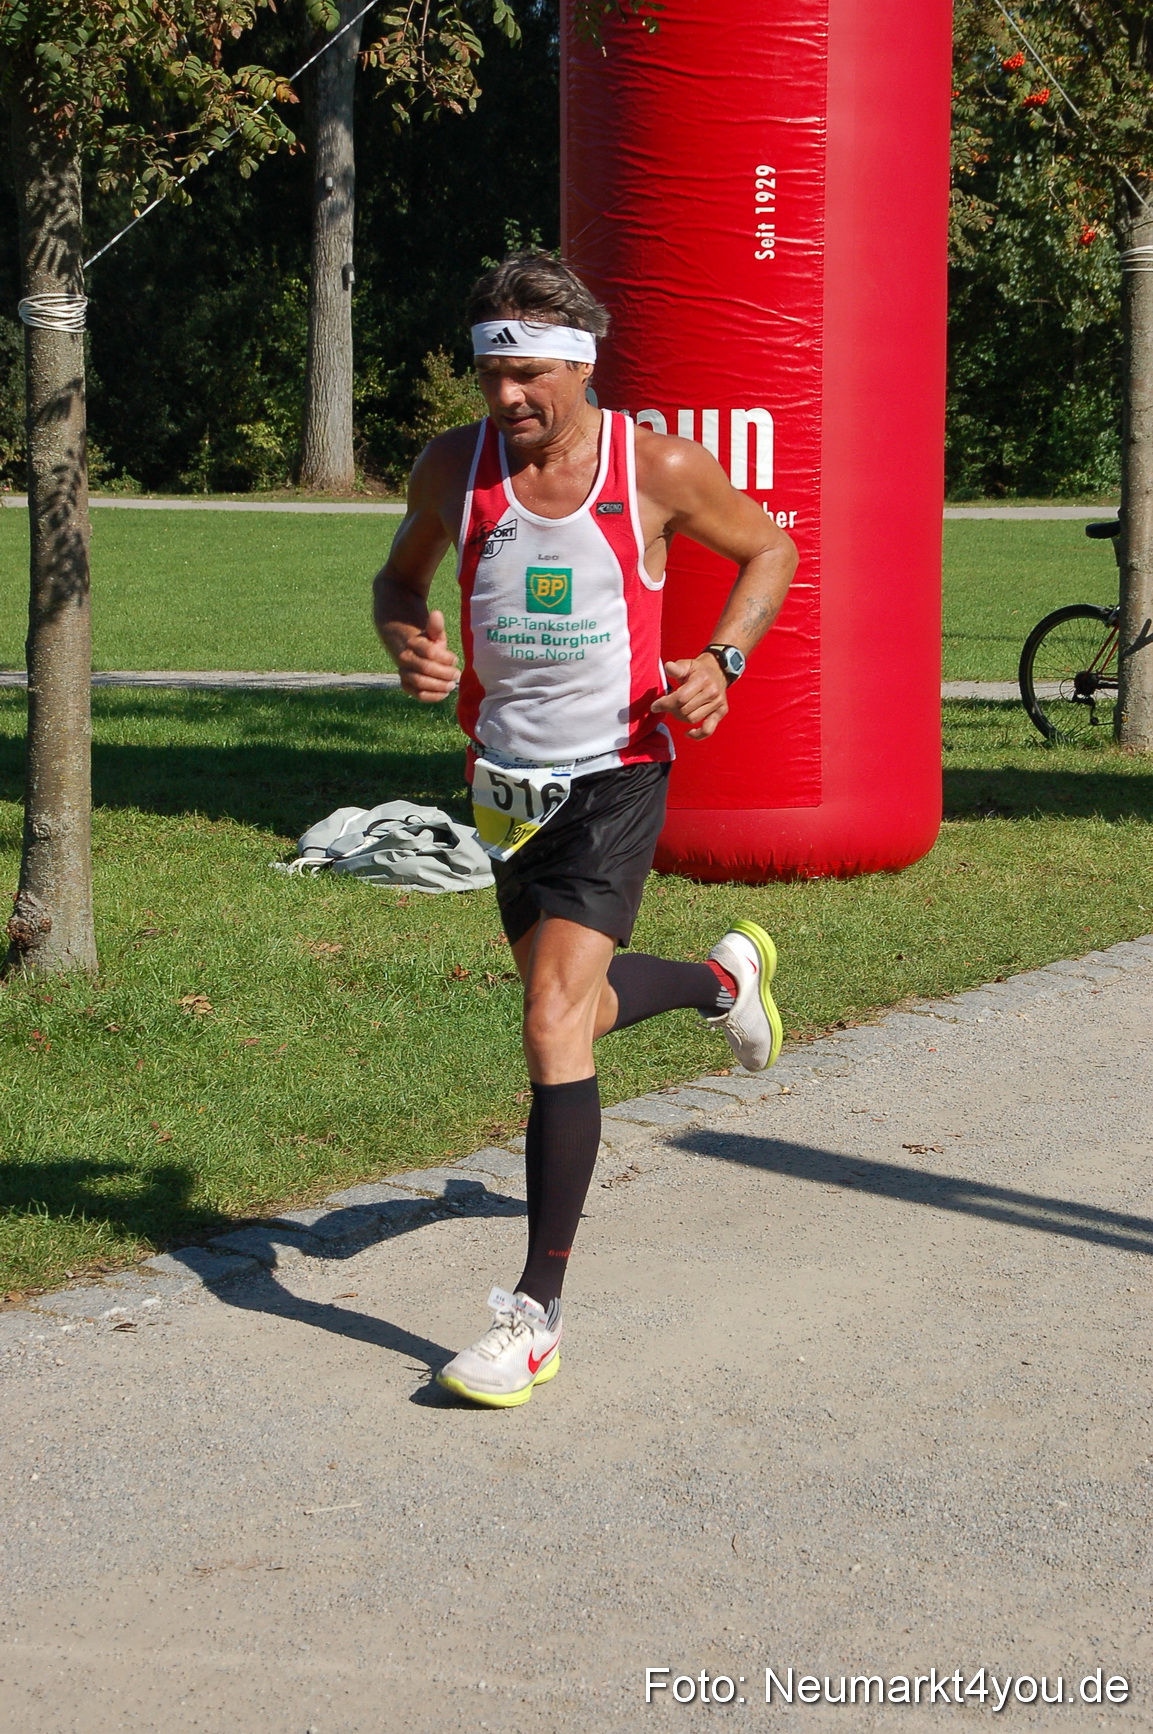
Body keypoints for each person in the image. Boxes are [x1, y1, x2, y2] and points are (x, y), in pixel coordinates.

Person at [374, 253, 797, 1407]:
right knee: (583, 1006)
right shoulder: (452, 470)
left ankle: (534, 1315)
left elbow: (770, 549)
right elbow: (398, 580)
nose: (507, 401)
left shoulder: (654, 468)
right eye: (491, 379)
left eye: (527, 380)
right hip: (504, 781)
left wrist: (723, 658)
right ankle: (721, 982)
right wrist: (406, 636)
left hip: (617, 775)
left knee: (550, 1018)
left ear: (577, 366)